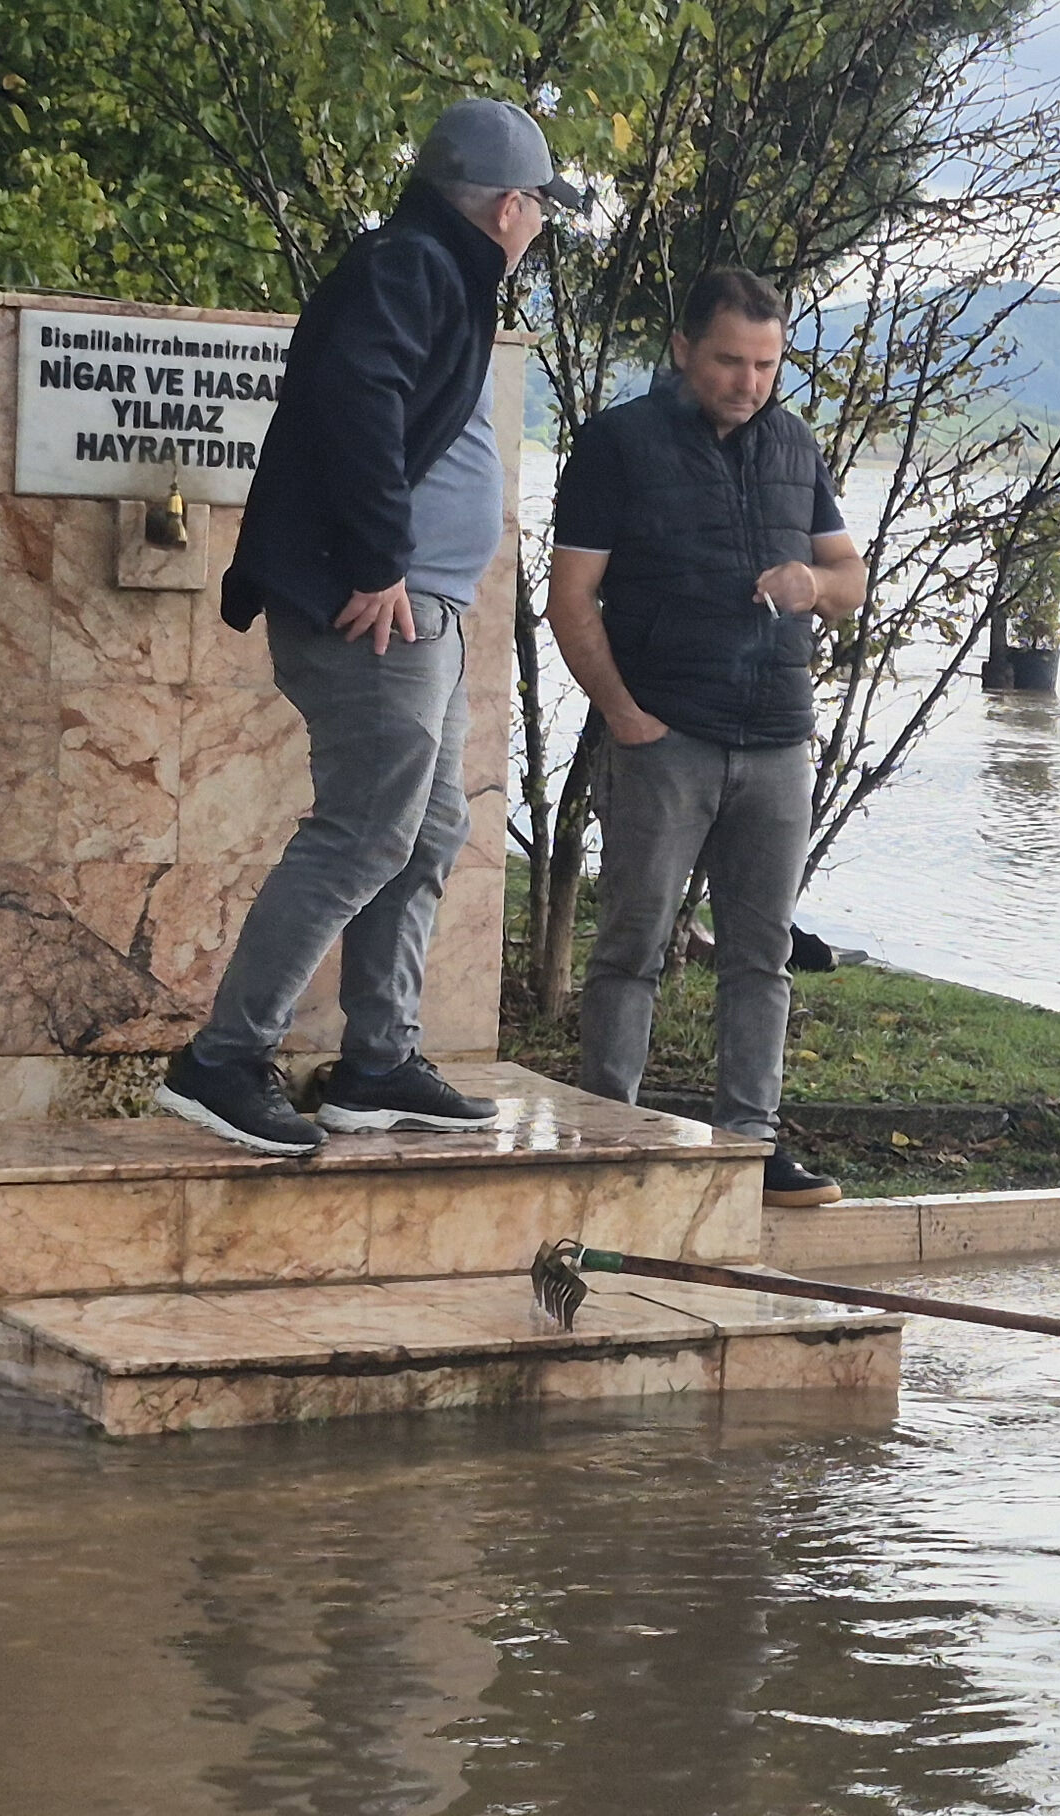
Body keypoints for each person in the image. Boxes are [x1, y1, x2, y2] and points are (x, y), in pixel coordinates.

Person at [160, 101, 581, 1155]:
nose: (540, 226)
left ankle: (378, 1063)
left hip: (424, 612)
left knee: (428, 831)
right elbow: (359, 399)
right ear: (509, 206)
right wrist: (381, 560)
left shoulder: (441, 272)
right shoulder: (412, 266)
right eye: (539, 208)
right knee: (365, 831)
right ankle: (222, 1060)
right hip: (378, 606)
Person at [545, 267, 869, 1208]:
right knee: (633, 945)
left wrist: (814, 586)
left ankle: (751, 1146)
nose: (749, 382)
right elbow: (570, 599)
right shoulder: (616, 444)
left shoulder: (794, 443)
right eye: (730, 361)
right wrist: (622, 713)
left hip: (777, 738)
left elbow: (850, 578)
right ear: (684, 349)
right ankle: (608, 1136)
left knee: (760, 955)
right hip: (664, 733)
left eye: (766, 365)